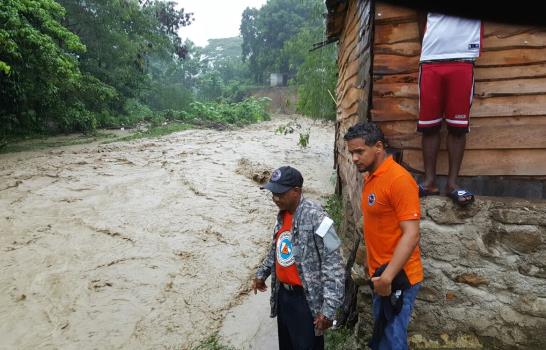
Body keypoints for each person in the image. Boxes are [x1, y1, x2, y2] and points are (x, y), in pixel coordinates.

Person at [344, 122, 423, 350]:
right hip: (381, 275)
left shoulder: (399, 180)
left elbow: (412, 234)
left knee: (393, 340)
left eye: (360, 152)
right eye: (351, 153)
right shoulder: (372, 177)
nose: (355, 159)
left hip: (398, 277)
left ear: (378, 147)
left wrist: (387, 277)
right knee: (384, 338)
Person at [252, 165, 344, 350]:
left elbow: (334, 265)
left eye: (280, 193)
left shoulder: (317, 217)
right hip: (284, 297)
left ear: (296, 191)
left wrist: (328, 310)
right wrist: (262, 274)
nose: (275, 198)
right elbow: (277, 248)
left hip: (306, 301)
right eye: (273, 193)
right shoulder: (282, 215)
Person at [417, 12, 482, 205]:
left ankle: (452, 185)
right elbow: (421, 18)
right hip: (430, 59)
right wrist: (429, 45)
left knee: (458, 127)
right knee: (429, 126)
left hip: (463, 58)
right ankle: (429, 183)